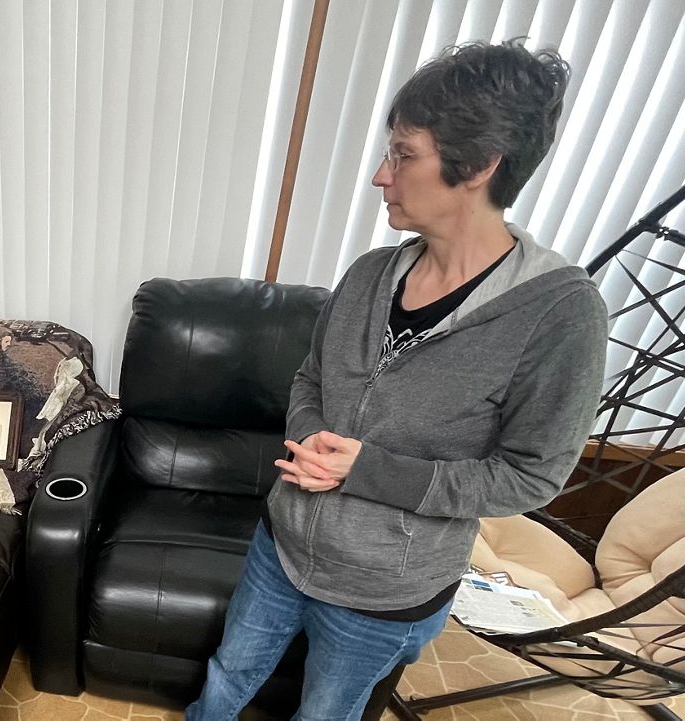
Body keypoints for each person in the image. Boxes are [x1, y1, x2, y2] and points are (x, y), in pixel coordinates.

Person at [187, 40, 607, 720]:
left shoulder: (560, 314)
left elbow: (530, 476)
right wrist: (311, 443)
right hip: (281, 544)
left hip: (385, 593)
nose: (381, 175)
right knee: (226, 680)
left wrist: (366, 470)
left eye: (404, 154)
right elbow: (310, 378)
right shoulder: (367, 274)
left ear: (478, 167)